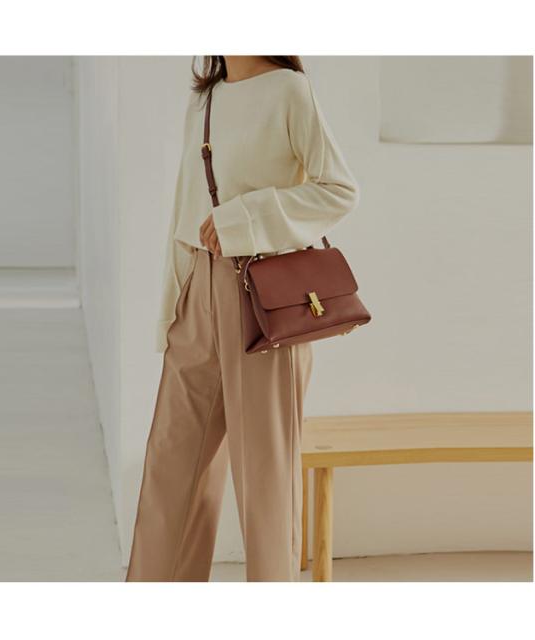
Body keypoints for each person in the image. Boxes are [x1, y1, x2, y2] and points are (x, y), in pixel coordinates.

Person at [126, 55, 360, 581]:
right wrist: (172, 308)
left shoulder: (289, 91)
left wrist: (244, 217)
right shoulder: (205, 99)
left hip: (263, 302)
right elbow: (182, 210)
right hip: (196, 294)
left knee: (264, 481)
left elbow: (338, 189)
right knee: (170, 468)